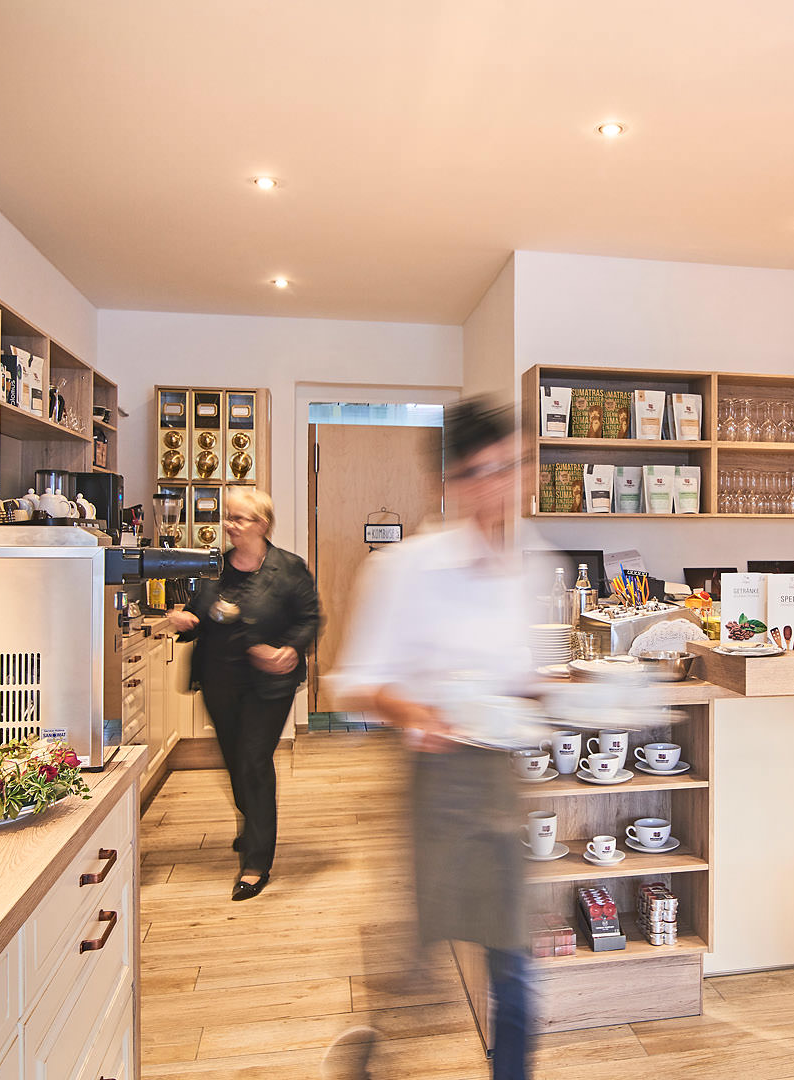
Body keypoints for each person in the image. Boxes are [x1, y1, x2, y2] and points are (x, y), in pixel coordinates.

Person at [328, 398, 538, 1080]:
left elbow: (523, 677)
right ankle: (375, 1052)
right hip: (439, 784)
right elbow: (353, 681)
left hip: (503, 777)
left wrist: (557, 694)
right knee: (425, 950)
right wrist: (413, 709)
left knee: (513, 963)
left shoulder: (529, 563)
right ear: (448, 480)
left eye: (508, 467)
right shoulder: (407, 568)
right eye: (478, 472)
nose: (496, 486)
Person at [167, 487, 320, 901]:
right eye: (228, 518)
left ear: (262, 524)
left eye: (239, 519)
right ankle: (256, 822)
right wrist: (186, 619)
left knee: (253, 760)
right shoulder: (214, 567)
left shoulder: (289, 569)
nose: (229, 526)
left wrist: (289, 649)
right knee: (235, 761)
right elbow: (202, 614)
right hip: (219, 680)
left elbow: (309, 618)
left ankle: (256, 860)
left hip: (268, 685)